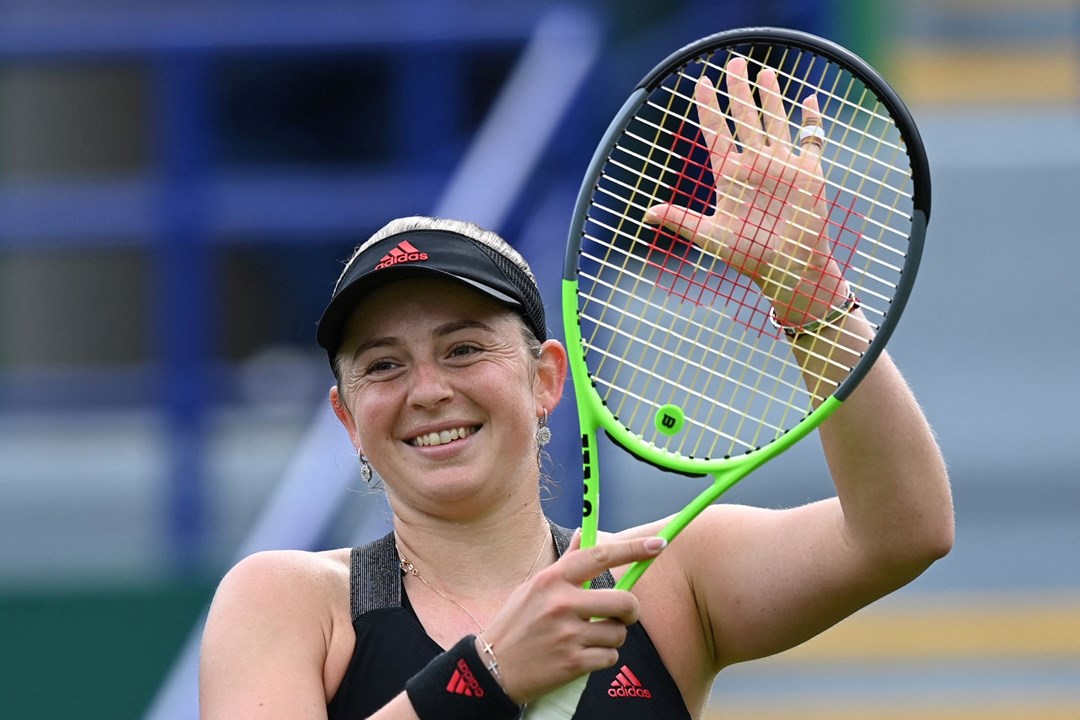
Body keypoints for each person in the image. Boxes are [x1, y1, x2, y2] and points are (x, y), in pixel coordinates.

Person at [198, 59, 953, 719]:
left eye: (464, 349)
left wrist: (809, 296)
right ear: (348, 417)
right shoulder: (286, 601)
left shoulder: (667, 579)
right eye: (385, 365)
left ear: (547, 378)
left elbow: (903, 531)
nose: (427, 390)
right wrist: (486, 676)